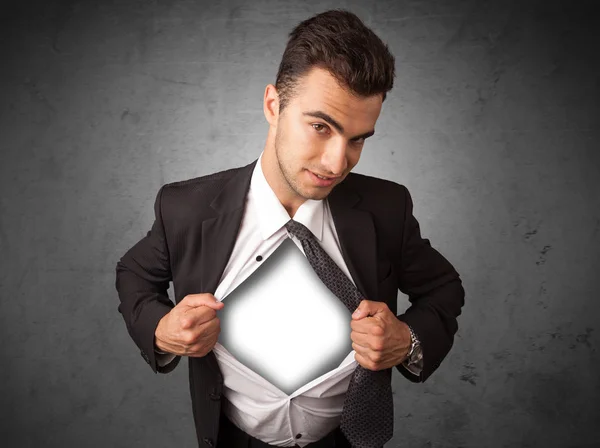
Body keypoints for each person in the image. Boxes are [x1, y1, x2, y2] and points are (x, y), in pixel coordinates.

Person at [115, 9, 465, 448]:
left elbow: (444, 288)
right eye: (321, 127)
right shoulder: (184, 208)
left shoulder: (387, 208)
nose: (338, 163)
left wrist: (407, 339)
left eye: (358, 139)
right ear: (273, 105)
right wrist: (161, 328)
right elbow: (133, 275)